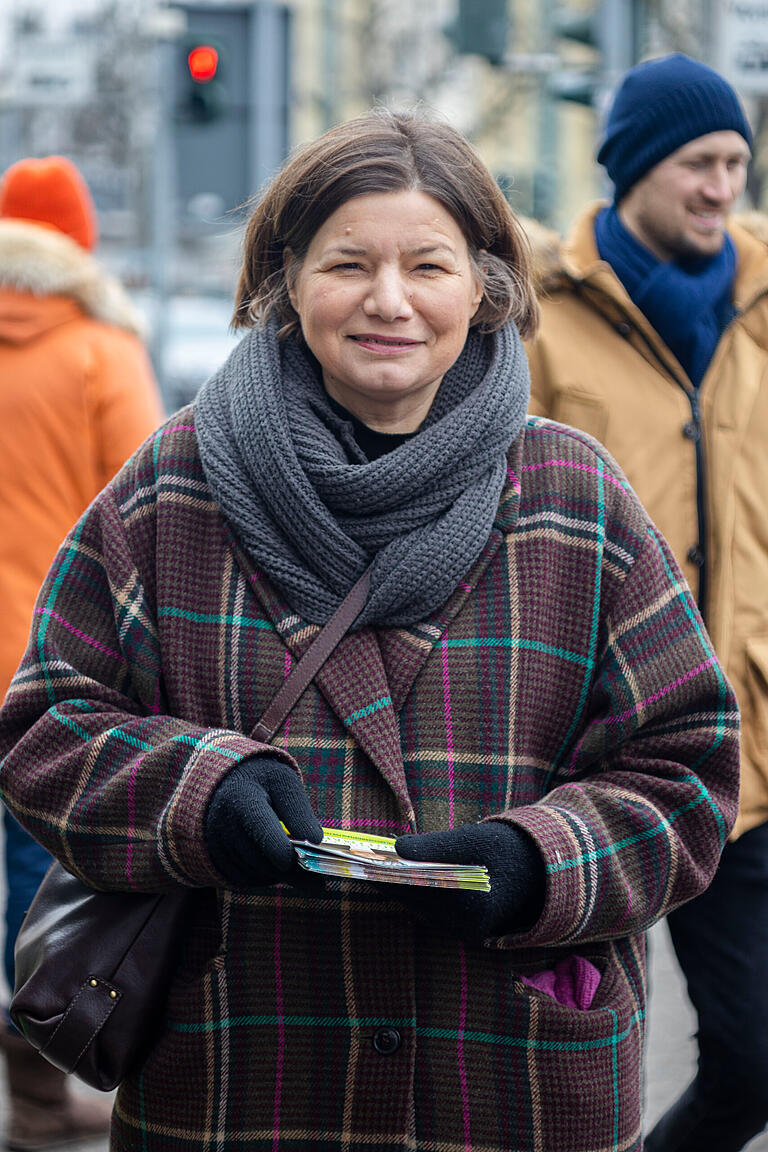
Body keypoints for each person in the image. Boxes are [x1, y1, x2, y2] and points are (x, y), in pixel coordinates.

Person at [0, 110, 739, 1152]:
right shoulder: (175, 489)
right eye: (348, 262)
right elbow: (45, 732)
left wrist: (540, 863)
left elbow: (689, 772)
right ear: (285, 280)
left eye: (428, 265)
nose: (388, 300)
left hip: (504, 1078)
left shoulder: (578, 497)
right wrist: (199, 792)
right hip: (241, 1073)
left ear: (484, 287)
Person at [525, 53, 768, 1152]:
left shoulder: (763, 302)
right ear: (630, 171)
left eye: (736, 163)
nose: (722, 187)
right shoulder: (543, 316)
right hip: (589, 753)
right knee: (556, 1067)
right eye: (697, 165)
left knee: (756, 1058)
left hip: (747, 749)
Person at [0, 154, 164, 1148]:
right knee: (43, 874)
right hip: (48, 672)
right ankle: (36, 1086)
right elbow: (154, 516)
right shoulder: (101, 351)